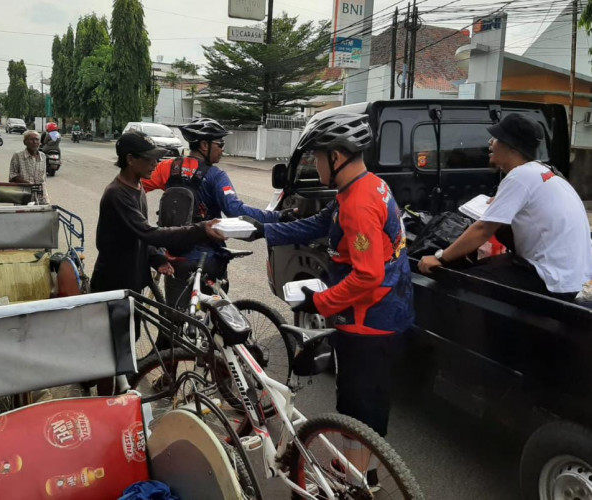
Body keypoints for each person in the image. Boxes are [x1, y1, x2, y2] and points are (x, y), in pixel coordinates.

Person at [246, 113, 414, 446]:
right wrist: (263, 230)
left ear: (336, 157)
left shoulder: (359, 204)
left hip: (369, 321)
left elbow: (367, 274)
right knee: (362, 404)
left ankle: (359, 482)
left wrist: (318, 301)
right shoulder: (365, 185)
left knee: (359, 412)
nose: (315, 165)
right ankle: (364, 473)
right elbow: (318, 224)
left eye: (317, 158)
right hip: (383, 309)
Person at [418, 113, 592, 300]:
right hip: (573, 276)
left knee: (462, 283)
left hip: (553, 280)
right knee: (491, 264)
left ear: (511, 146)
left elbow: (483, 229)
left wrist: (440, 257)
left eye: (496, 138)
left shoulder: (520, 176)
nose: (490, 142)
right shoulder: (544, 173)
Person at [142, 117, 293, 308]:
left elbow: (137, 189)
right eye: (220, 144)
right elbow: (235, 209)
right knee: (212, 315)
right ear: (204, 145)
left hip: (175, 256)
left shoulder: (168, 167)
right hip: (207, 258)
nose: (223, 149)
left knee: (176, 317)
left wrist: (145, 228)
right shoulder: (215, 176)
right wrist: (277, 216)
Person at [90, 130, 226, 296]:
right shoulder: (117, 194)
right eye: (149, 158)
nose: (155, 163)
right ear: (130, 159)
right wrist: (201, 229)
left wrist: (157, 259)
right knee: (122, 323)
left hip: (133, 280)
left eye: (156, 158)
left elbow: (138, 235)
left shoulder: (137, 187)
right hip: (113, 285)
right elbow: (148, 233)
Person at [9, 130, 49, 204]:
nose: (34, 142)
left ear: (40, 142)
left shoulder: (43, 156)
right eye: (31, 139)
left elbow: (44, 177)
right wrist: (27, 184)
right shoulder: (18, 155)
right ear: (25, 142)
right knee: (24, 214)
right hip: (23, 194)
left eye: (37, 139)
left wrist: (44, 194)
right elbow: (12, 176)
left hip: (40, 194)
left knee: (43, 213)